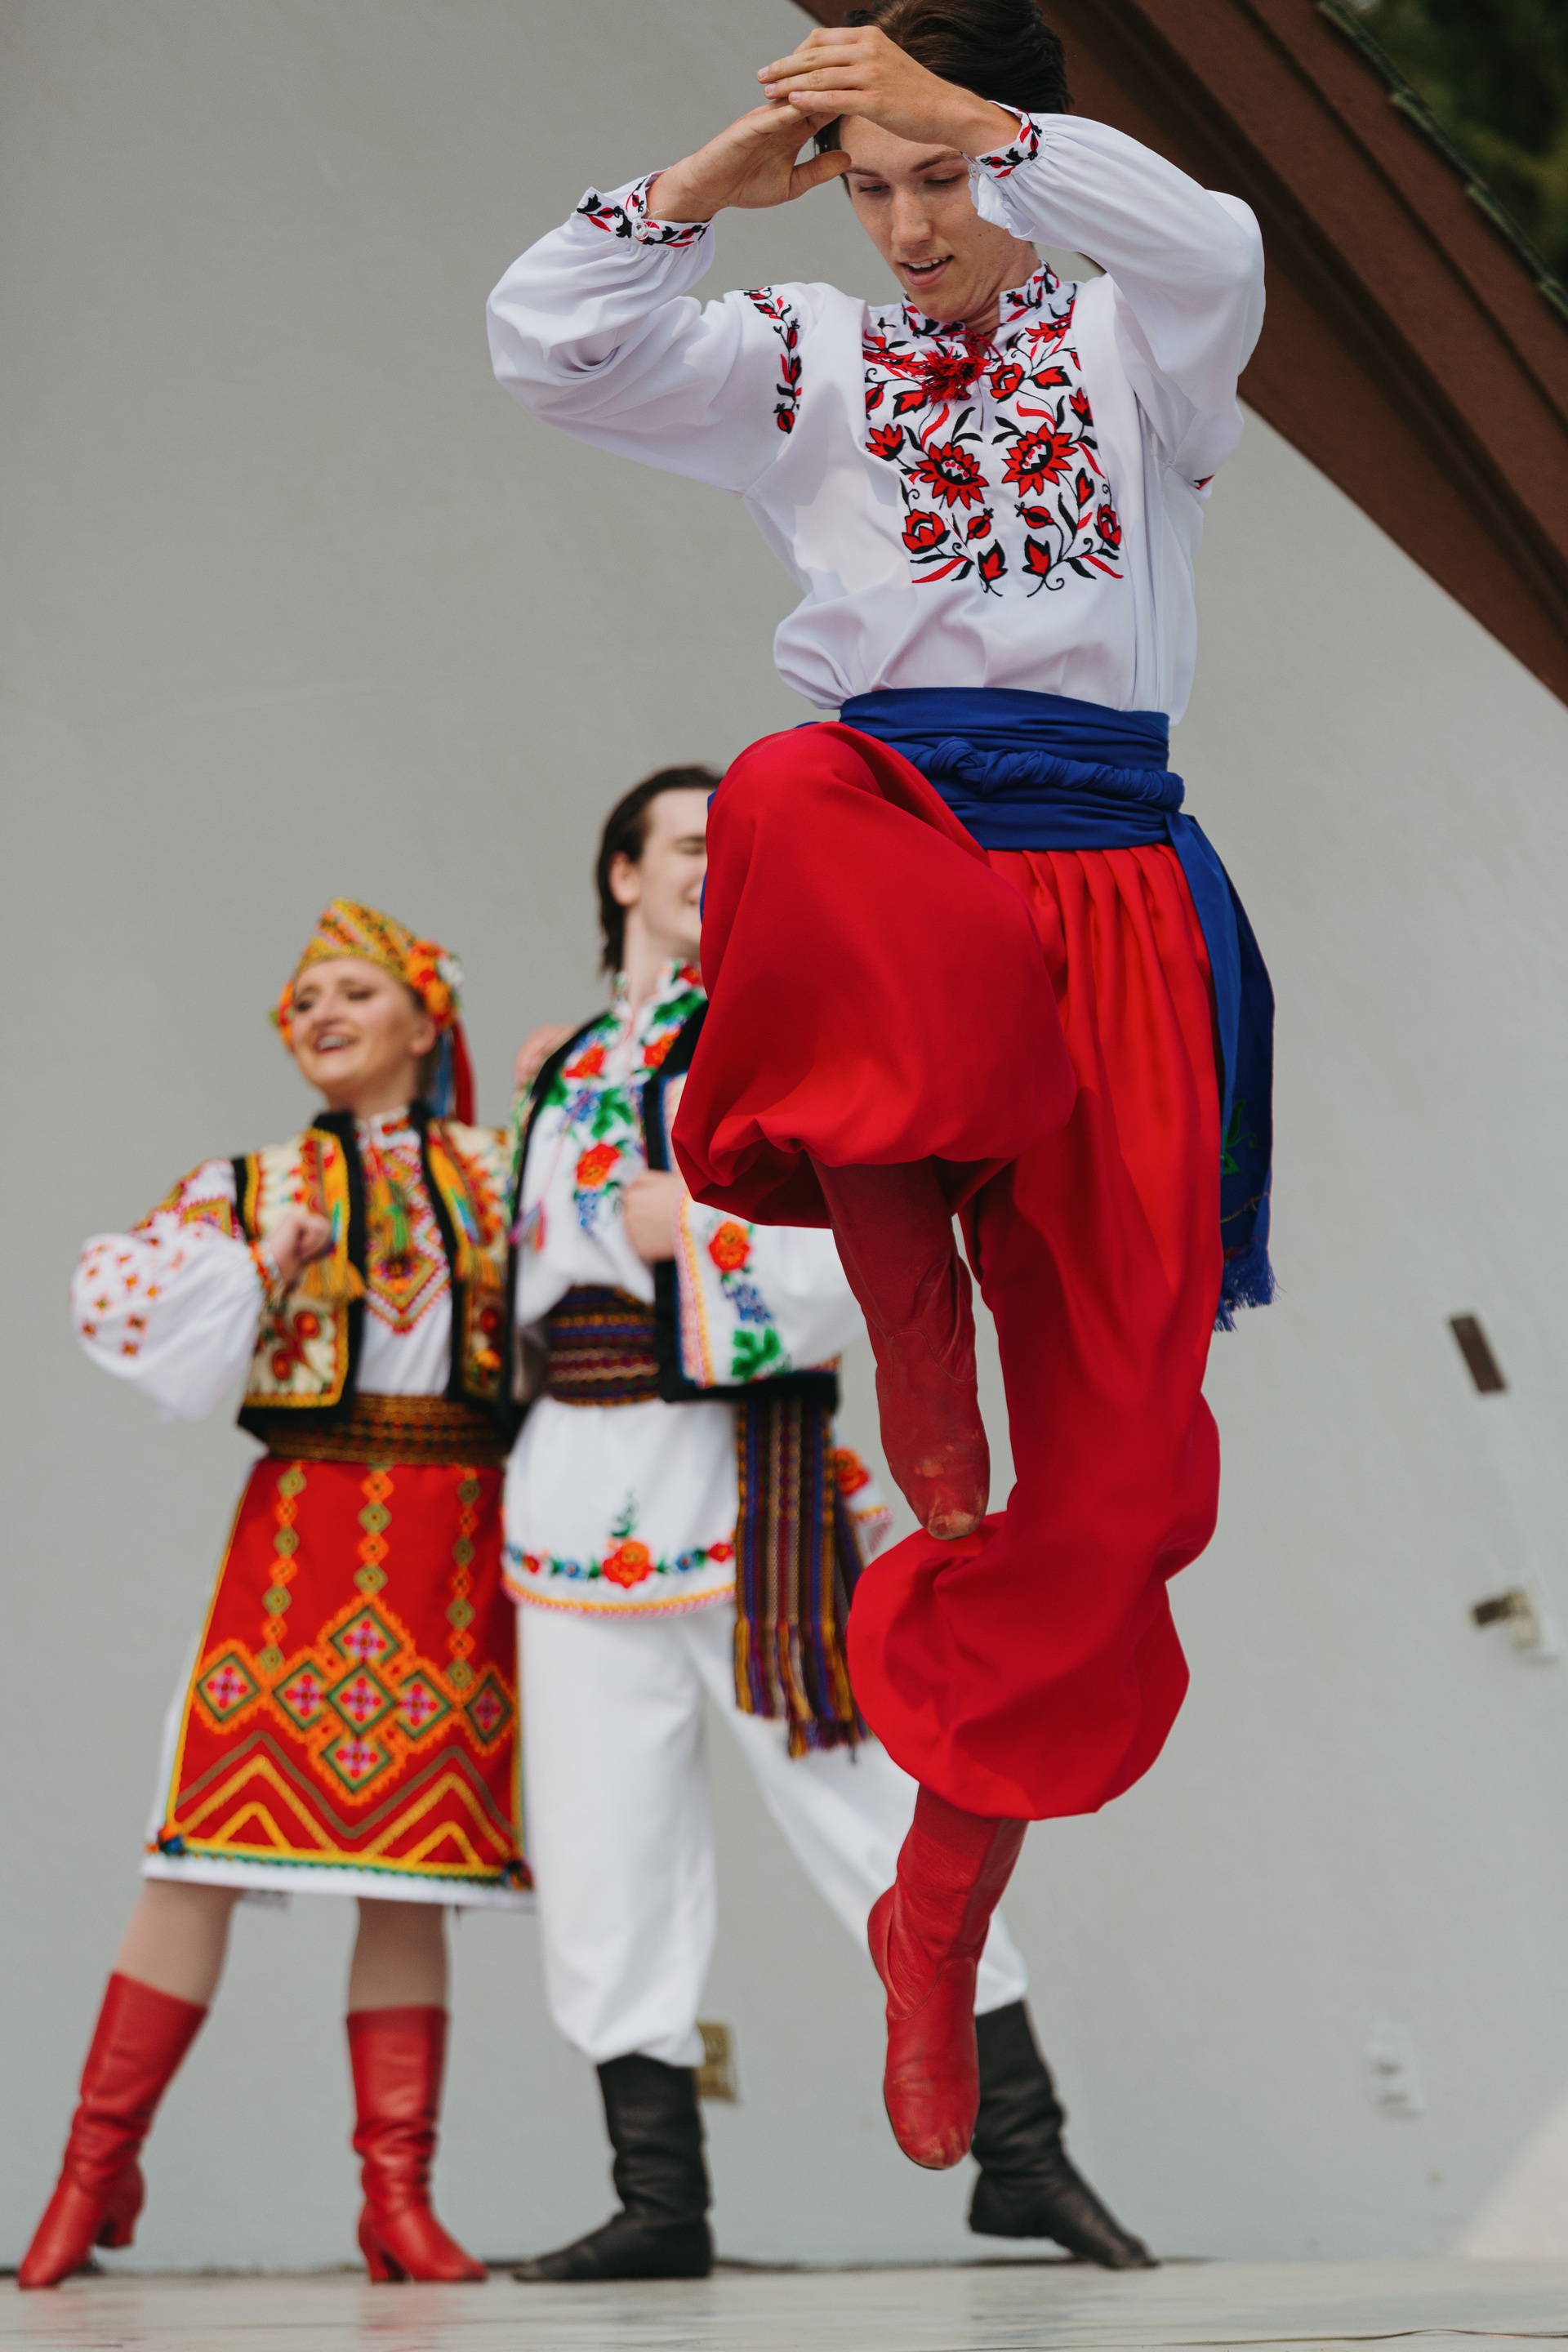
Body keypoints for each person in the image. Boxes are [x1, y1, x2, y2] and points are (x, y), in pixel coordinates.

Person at [487, 0, 1271, 2177]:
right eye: (874, 189)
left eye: (942, 180)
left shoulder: (1143, 342)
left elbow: (1215, 239)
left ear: (1010, 149)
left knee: (1118, 1499)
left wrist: (975, 125)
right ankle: (914, 1316)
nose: (910, 228)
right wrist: (698, 189)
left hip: (1114, 895)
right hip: (899, 850)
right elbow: (546, 345)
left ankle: (939, 1910)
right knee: (784, 785)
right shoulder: (803, 358)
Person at [499, 764, 1152, 2279]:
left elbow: (853, 1262)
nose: (707, 870)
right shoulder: (563, 1066)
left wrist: (692, 1234)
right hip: (573, 1503)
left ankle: (1022, 2152)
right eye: (683, 846)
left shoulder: (772, 1040)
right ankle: (658, 2197)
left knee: (873, 1815)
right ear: (621, 877)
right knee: (601, 1851)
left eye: (726, 849)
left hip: (756, 1502)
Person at [21, 902, 526, 2291]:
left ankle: (396, 2198)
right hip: (301, 1531)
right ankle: (90, 2169)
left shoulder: (506, 1174)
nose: (322, 1014)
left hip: (452, 1543)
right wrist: (259, 1261)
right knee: (197, 1854)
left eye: (354, 990)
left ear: (425, 1020)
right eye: (304, 1000)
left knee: (410, 1874)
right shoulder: (252, 1187)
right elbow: (113, 1299)